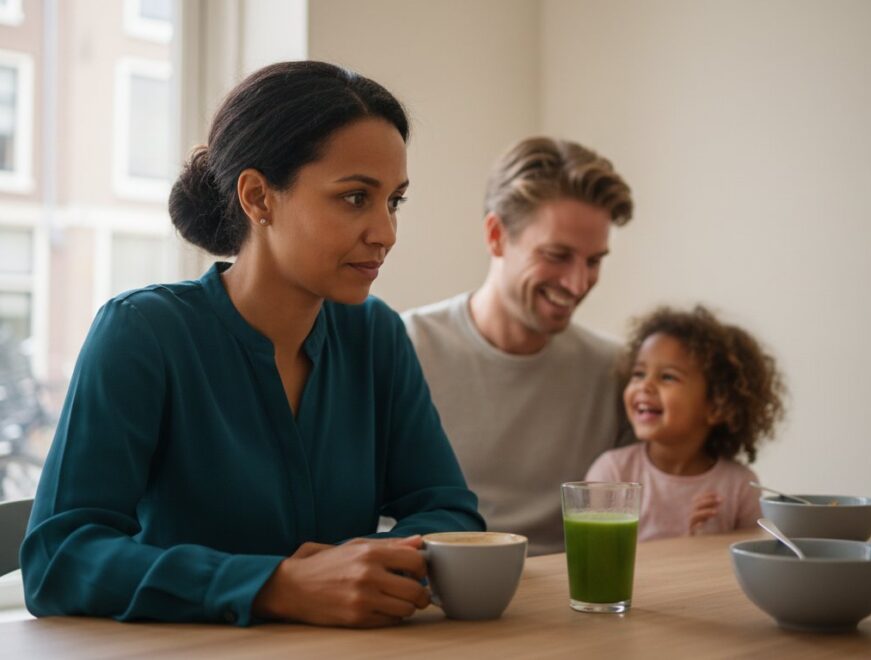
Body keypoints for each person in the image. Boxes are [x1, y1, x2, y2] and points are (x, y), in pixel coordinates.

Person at [20, 61, 484, 628]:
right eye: (356, 198)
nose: (386, 232)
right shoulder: (142, 332)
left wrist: (360, 563)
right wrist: (275, 586)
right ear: (259, 198)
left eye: (394, 201)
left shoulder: (376, 336)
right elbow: (58, 559)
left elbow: (449, 512)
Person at [402, 137, 633, 555]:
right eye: (557, 255)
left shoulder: (614, 369)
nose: (578, 284)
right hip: (431, 589)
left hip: (571, 598)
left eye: (594, 260)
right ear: (496, 236)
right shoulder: (406, 346)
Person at [585, 305, 786, 541]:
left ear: (717, 406)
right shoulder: (612, 473)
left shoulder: (739, 486)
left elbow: (750, 560)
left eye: (668, 377)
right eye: (638, 373)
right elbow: (596, 555)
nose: (645, 386)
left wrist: (706, 542)